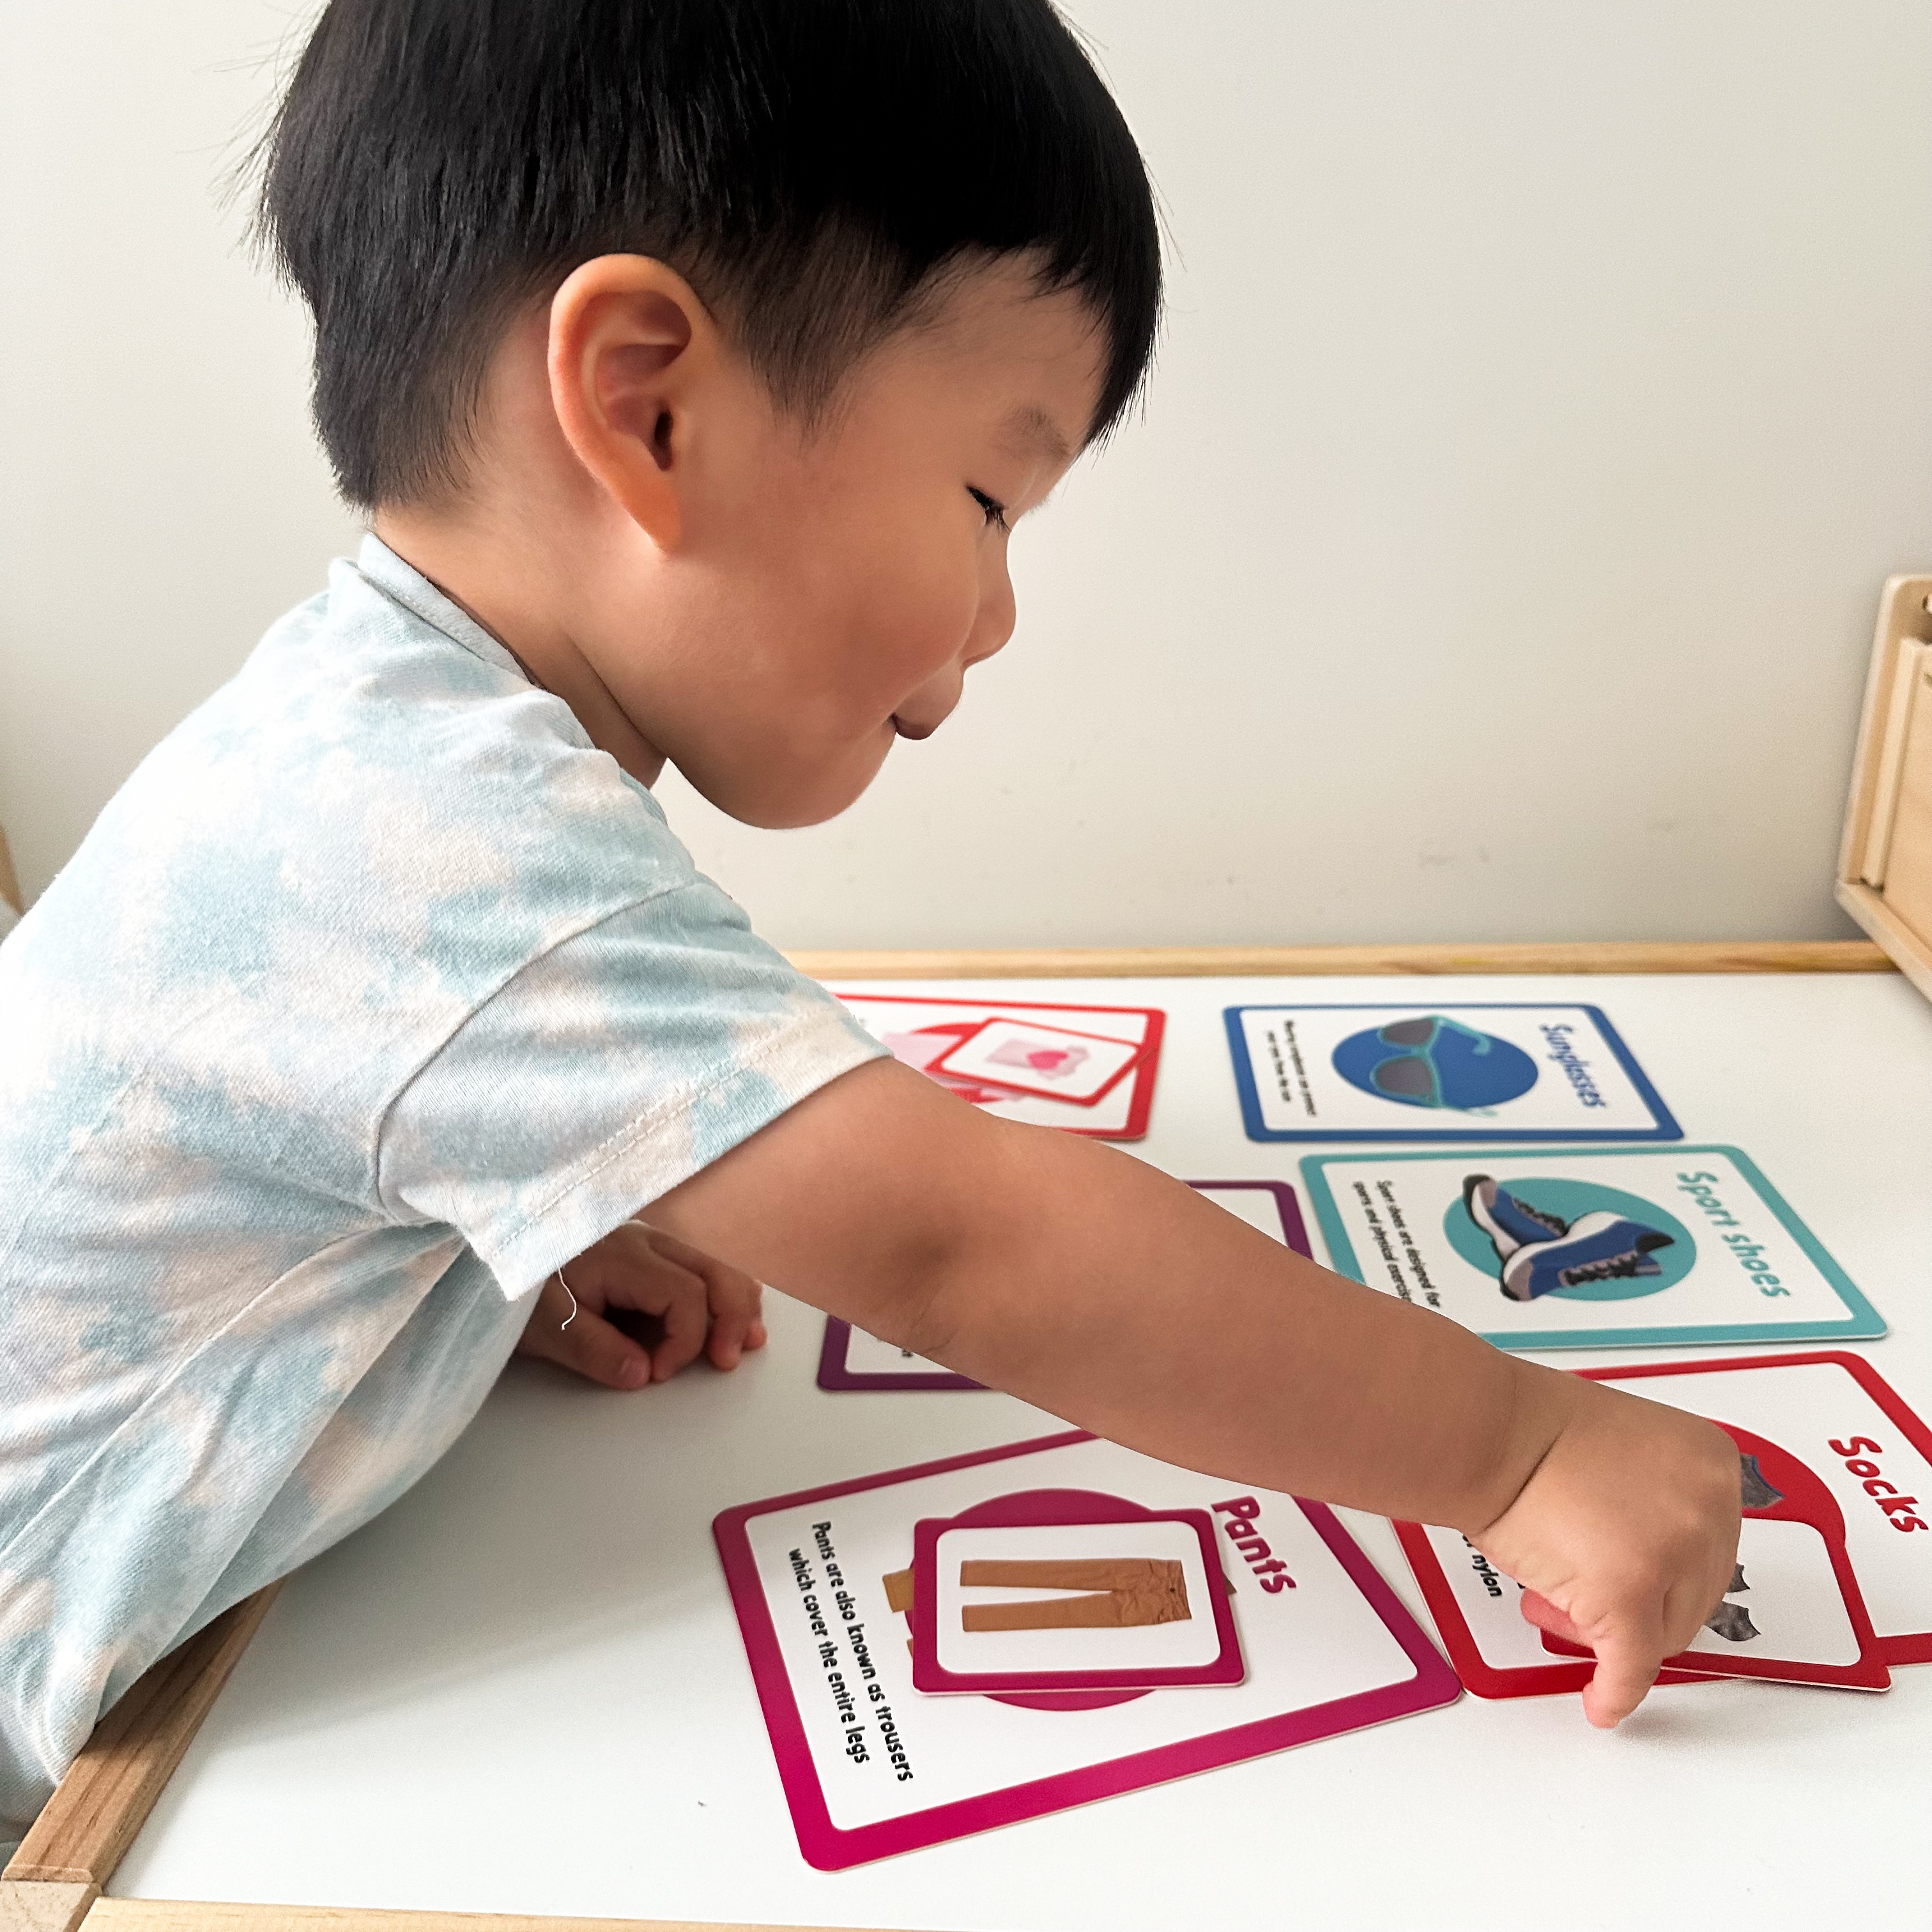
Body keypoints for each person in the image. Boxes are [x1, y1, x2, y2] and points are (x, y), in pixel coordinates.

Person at [0, 0, 1740, 1853]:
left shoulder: (365, 739)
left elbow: (255, 1172)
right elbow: (962, 1245)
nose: (998, 613)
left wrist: (504, 1234)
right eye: (991, 499)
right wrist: (1518, 1450)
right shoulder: (425, 838)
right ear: (649, 405)